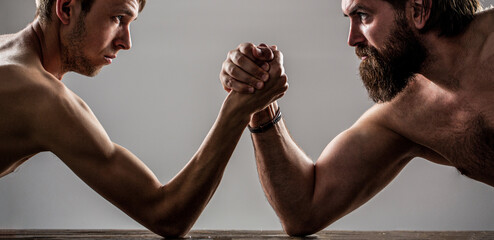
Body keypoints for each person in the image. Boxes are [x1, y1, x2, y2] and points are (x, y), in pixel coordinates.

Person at [0, 0, 287, 237]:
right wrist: (237, 110)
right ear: (66, 9)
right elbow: (167, 214)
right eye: (117, 18)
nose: (126, 41)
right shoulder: (41, 98)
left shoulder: (10, 57)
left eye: (130, 23)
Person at [220, 0, 493, 236]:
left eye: (363, 15)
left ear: (419, 9)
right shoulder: (405, 114)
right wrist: (259, 100)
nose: (352, 39)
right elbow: (304, 210)